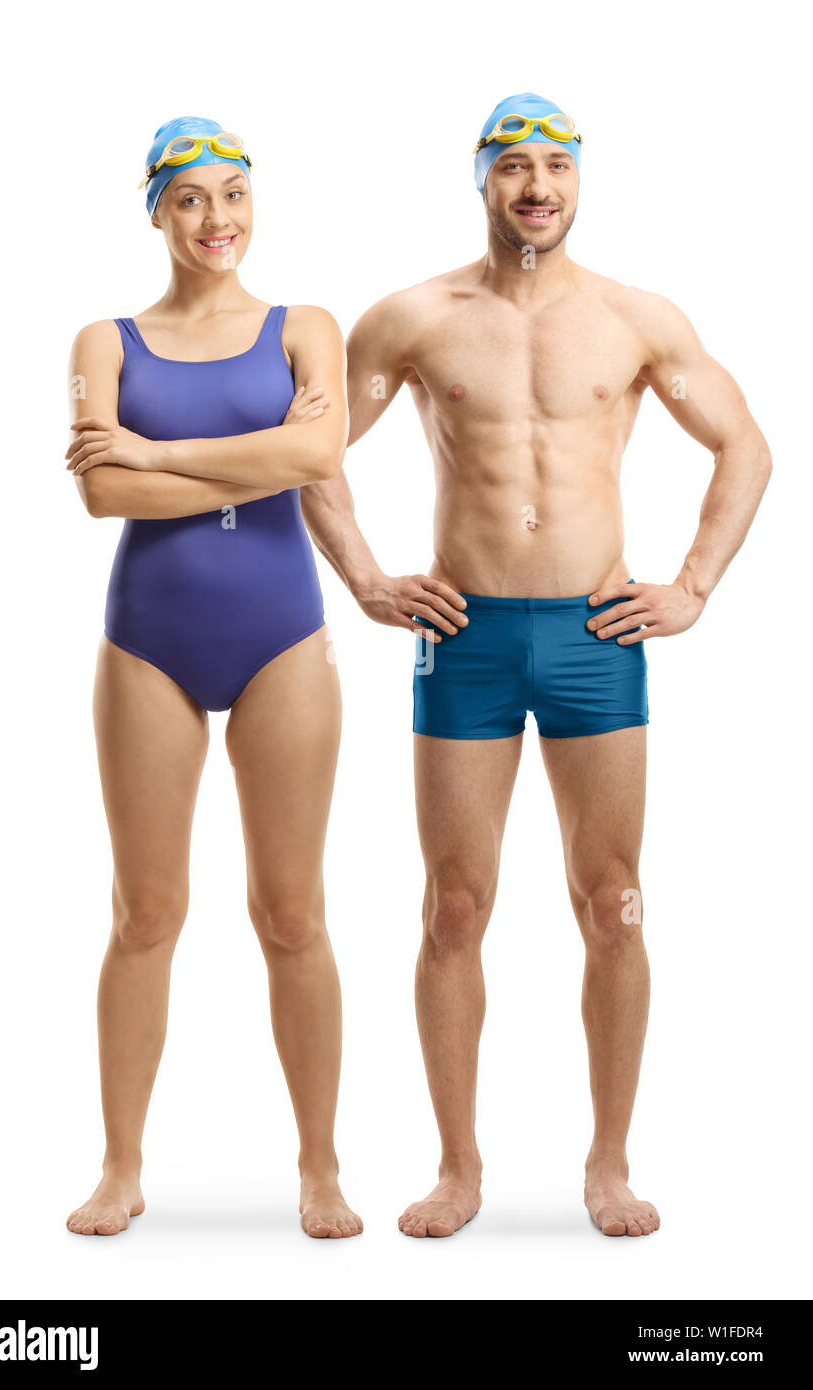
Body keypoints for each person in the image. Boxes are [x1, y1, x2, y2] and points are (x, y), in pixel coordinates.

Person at [301, 92, 771, 1238]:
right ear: (480, 180)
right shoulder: (412, 319)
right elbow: (310, 448)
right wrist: (366, 578)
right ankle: (457, 1169)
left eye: (554, 167)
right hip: (460, 638)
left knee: (611, 905)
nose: (535, 188)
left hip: (593, 638)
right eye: (513, 166)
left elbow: (743, 443)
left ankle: (607, 1163)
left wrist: (693, 585)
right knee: (453, 908)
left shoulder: (633, 318)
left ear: (578, 181)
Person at [65, 117, 362, 1239]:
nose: (216, 219)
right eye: (189, 199)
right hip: (147, 638)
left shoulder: (305, 329)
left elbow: (315, 458)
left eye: (233, 194)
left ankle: (322, 1168)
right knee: (144, 910)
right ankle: (120, 1164)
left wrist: (153, 453)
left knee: (291, 913)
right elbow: (103, 499)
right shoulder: (104, 341)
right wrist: (234, 462)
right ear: (155, 211)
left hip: (281, 632)